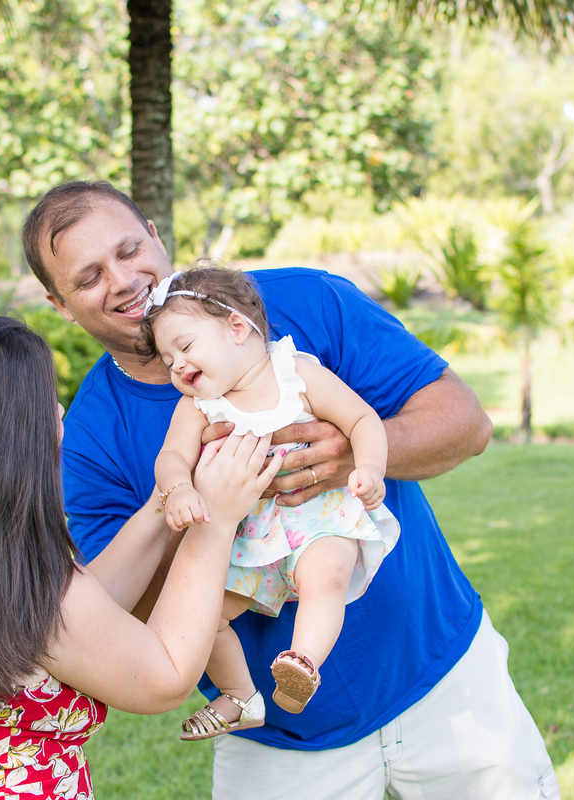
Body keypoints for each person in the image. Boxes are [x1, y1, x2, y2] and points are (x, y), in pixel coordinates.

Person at [22, 181, 561, 800]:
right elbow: (127, 620)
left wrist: (351, 452)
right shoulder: (90, 437)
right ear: (58, 303)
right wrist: (205, 513)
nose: (121, 280)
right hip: (277, 743)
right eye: (88, 277)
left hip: (446, 678)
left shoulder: (302, 302)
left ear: (153, 232)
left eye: (127, 250)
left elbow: (466, 424)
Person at [0, 314, 284, 799]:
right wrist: (214, 520)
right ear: (7, 442)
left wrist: (168, 497)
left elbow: (86, 617)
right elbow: (167, 677)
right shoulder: (45, 600)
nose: (58, 409)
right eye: (41, 404)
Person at [139, 267, 400, 739]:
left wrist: (370, 468)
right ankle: (241, 696)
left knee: (327, 576)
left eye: (185, 346)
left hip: (318, 518)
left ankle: (302, 663)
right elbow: (171, 456)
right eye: (167, 359)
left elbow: (362, 419)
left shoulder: (297, 375)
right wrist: (178, 489)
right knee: (207, 617)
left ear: (237, 328)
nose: (176, 366)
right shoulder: (199, 407)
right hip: (249, 536)